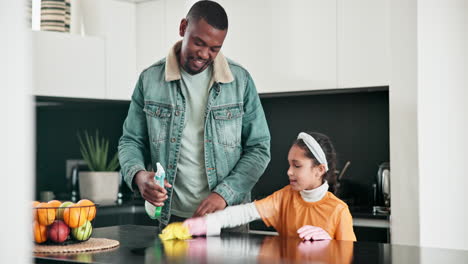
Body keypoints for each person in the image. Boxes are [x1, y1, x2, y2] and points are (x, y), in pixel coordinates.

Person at [118, 0, 271, 228]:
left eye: (214, 48)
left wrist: (224, 194)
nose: (204, 54)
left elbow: (259, 148)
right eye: (198, 43)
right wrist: (139, 176)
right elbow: (130, 141)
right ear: (183, 28)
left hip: (228, 220)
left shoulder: (240, 81)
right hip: (174, 219)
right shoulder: (149, 80)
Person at [183, 132, 357, 241]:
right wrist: (210, 222)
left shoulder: (339, 211)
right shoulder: (285, 197)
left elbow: (350, 255)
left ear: (319, 170)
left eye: (297, 165)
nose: (289, 171)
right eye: (289, 165)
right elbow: (247, 211)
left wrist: (331, 244)